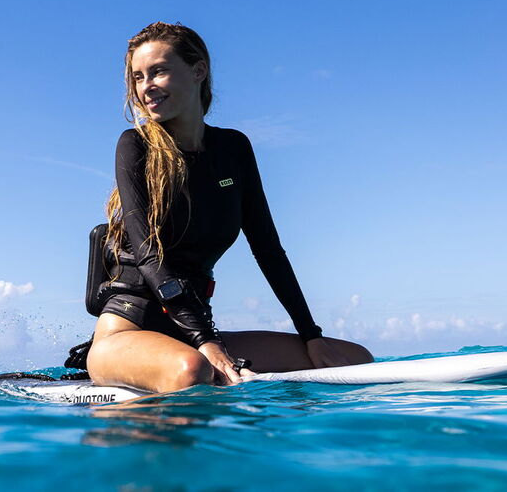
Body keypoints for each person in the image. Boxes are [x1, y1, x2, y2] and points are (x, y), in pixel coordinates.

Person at [84, 22, 372, 393]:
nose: (146, 86)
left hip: (195, 331)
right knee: (191, 370)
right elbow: (147, 253)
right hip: (128, 329)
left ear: (198, 71)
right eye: (138, 77)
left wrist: (311, 335)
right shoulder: (135, 146)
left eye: (158, 71)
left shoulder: (233, 149)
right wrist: (205, 341)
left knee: (352, 358)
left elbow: (268, 250)